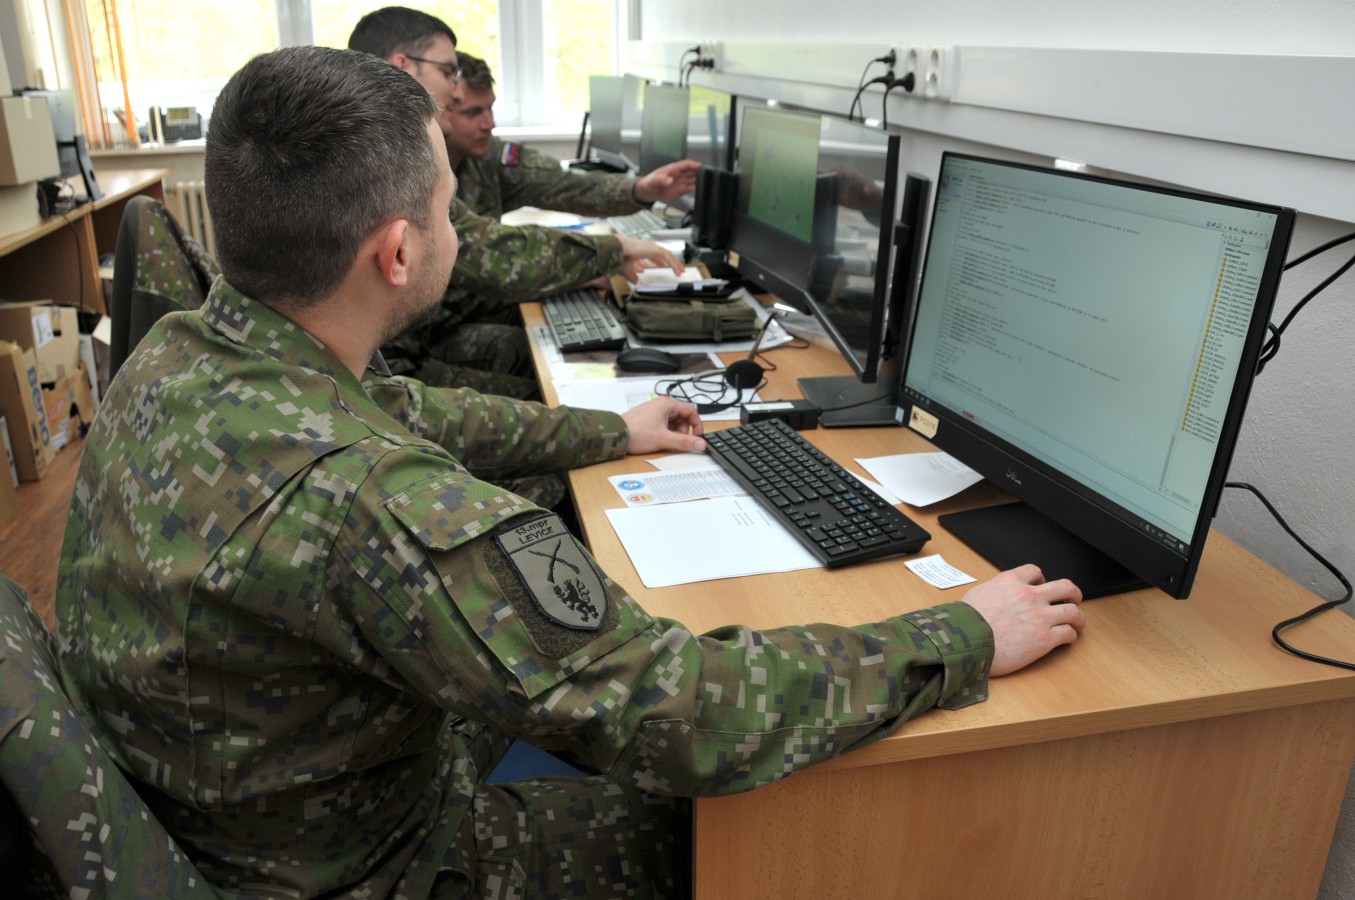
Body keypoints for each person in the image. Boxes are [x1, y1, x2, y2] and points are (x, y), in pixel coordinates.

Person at [57, 45, 1086, 898]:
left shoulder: (187, 349)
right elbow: (683, 715)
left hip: (241, 797)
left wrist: (611, 433)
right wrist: (956, 635)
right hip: (370, 864)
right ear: (397, 253)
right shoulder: (376, 504)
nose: (463, 232)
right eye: (451, 213)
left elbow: (411, 407)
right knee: (731, 830)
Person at [347, 7, 683, 398]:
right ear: (402, 65)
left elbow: (558, 185)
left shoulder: (412, 154)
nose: (456, 93)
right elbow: (485, 250)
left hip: (419, 339)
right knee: (549, 392)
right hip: (390, 369)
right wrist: (610, 251)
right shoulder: (378, 165)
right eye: (449, 73)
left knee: (560, 364)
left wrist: (636, 193)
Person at [446, 52, 700, 221]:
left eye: (490, 109)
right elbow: (486, 249)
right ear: (440, 109)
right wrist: (610, 253)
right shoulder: (424, 176)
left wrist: (640, 189)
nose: (489, 124)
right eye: (473, 113)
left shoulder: (490, 156)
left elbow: (566, 186)